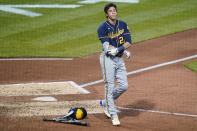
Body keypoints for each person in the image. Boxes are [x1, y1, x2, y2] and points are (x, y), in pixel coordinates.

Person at [97, 3, 132, 126]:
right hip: (108, 59)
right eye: (111, 11)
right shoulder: (102, 27)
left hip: (119, 58)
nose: (114, 13)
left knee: (124, 85)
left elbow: (129, 42)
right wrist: (116, 50)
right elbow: (106, 46)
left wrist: (121, 49)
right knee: (109, 86)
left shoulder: (122, 24)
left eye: (115, 11)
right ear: (107, 14)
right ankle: (113, 114)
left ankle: (106, 102)